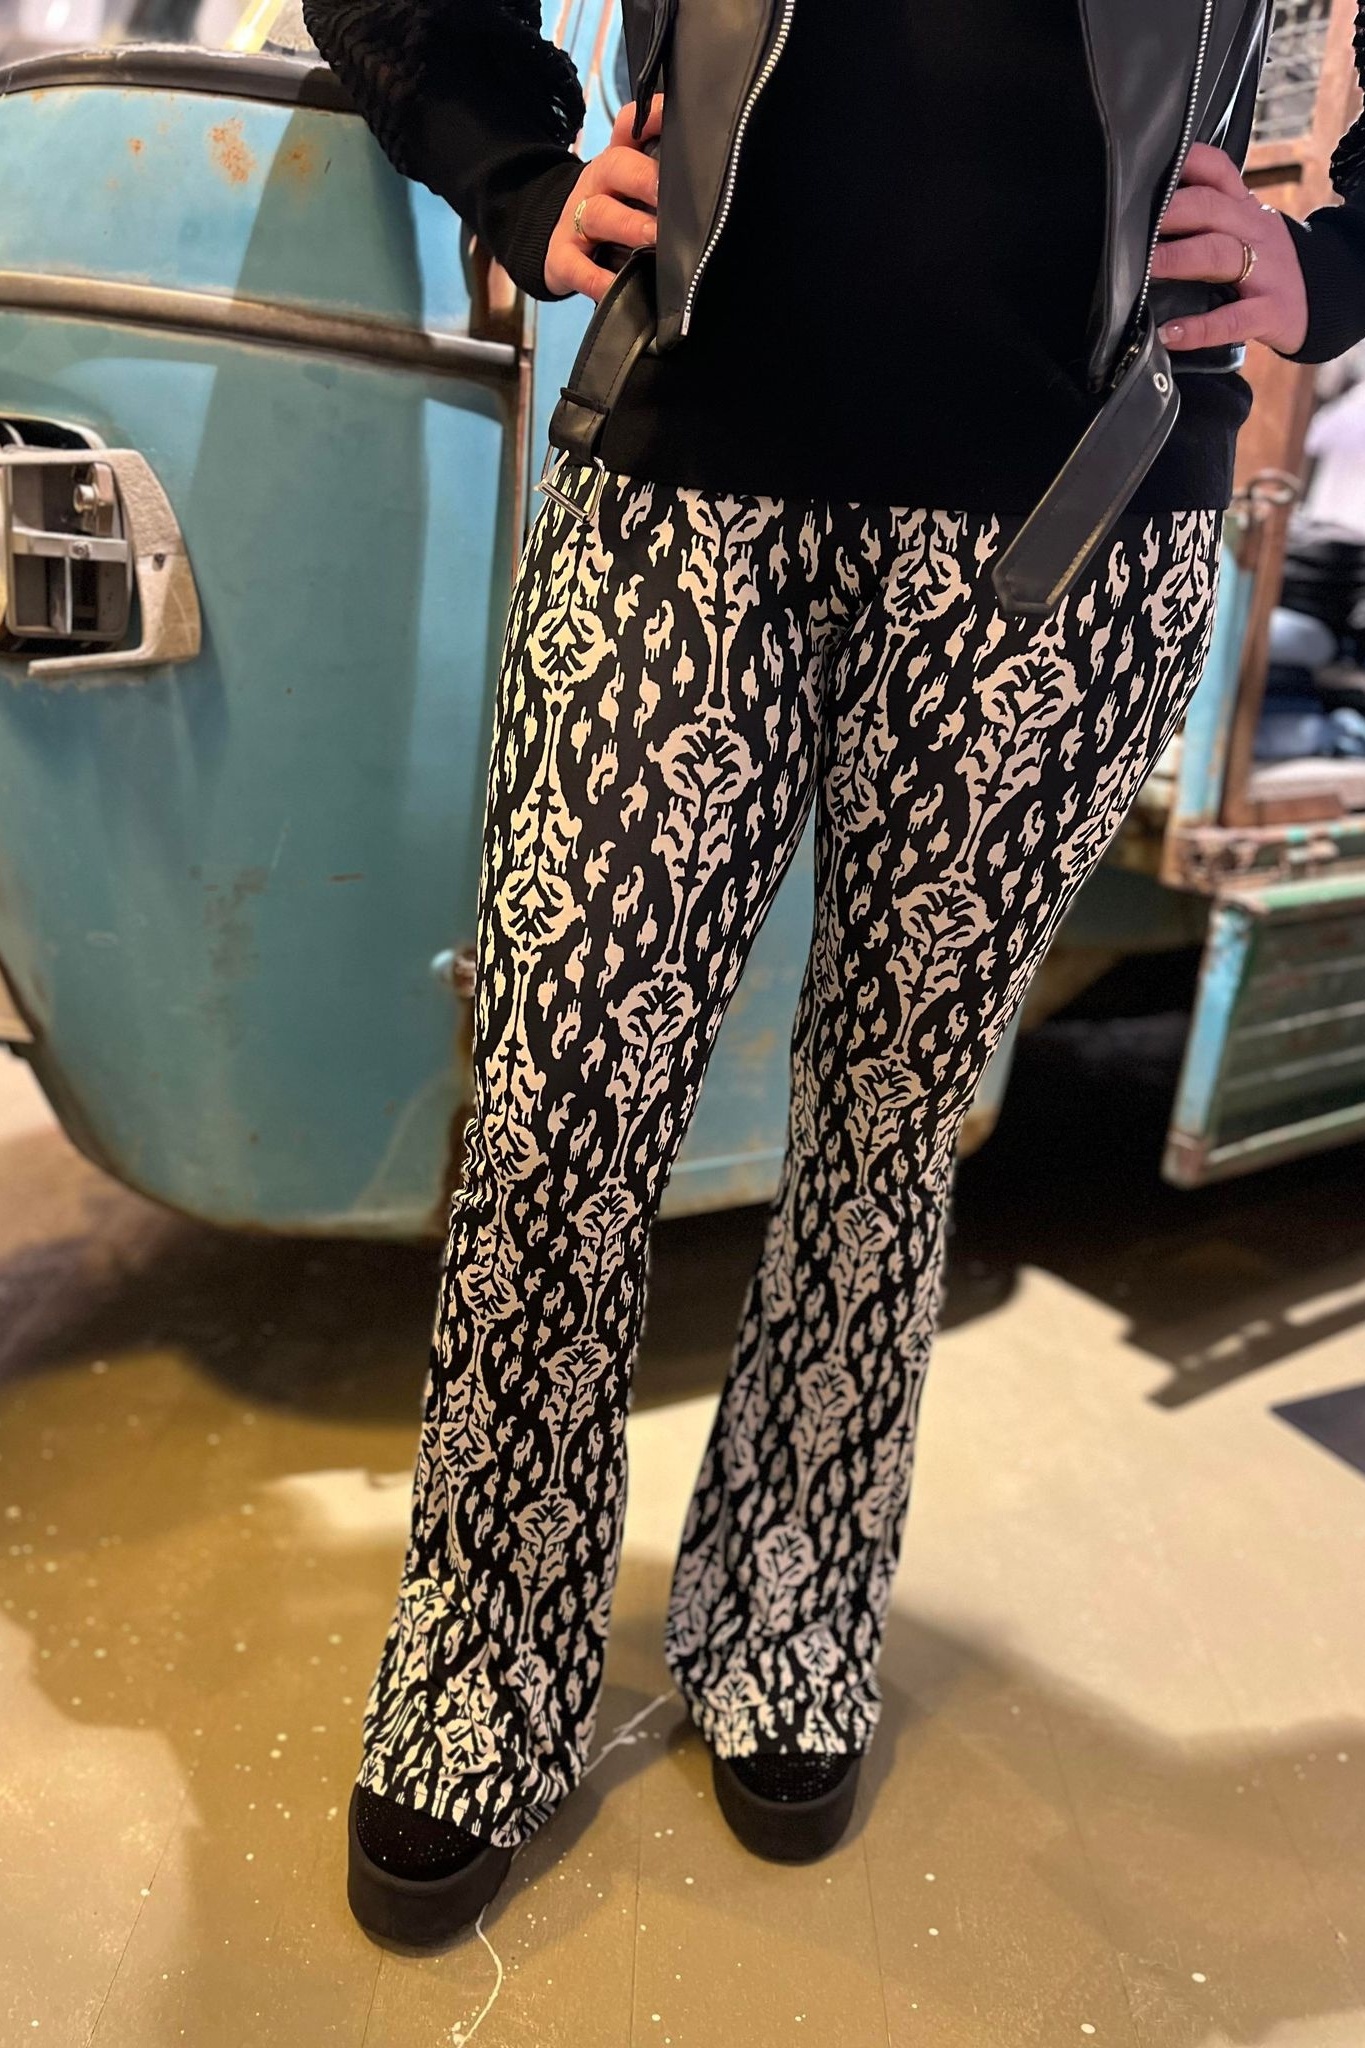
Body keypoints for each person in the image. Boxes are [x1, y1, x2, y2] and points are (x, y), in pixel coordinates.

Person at [297, 0, 1365, 1949]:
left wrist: (1332, 259)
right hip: (680, 476)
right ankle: (484, 1641)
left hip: (1074, 518)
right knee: (554, 1106)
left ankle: (790, 1601)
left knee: (888, 1117)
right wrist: (510, 171)